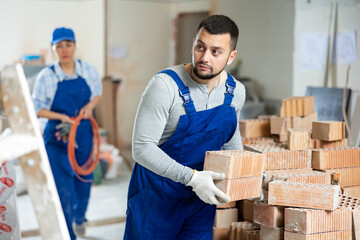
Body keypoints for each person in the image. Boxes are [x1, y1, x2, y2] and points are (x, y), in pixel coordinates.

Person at [124, 15, 246, 239]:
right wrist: (193, 179)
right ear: (194, 43)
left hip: (199, 201)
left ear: (231, 56)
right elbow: (142, 148)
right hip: (157, 198)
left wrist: (250, 174)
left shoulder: (235, 92)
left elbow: (230, 141)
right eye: (200, 47)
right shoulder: (164, 86)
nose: (204, 57)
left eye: (215, 52)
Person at [31, 27, 102, 240]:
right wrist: (60, 117)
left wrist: (89, 107)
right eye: (59, 46)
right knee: (63, 189)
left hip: (82, 134)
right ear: (53, 50)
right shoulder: (46, 76)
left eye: (68, 45)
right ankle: (68, 233)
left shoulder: (87, 70)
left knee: (84, 180)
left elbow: (97, 93)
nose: (64, 50)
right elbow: (37, 108)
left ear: (75, 46)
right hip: (58, 137)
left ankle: (80, 218)